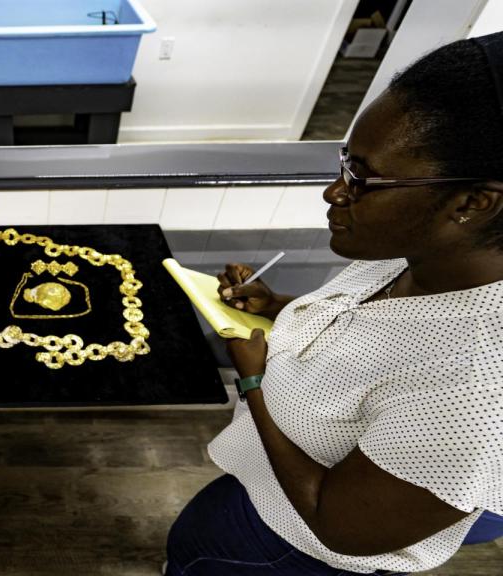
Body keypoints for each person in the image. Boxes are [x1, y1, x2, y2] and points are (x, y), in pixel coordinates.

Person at [164, 33, 503, 575]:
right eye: (345, 162)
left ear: (471, 203)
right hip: (261, 490)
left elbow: (339, 525)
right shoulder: (419, 251)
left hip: (295, 549)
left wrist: (252, 383)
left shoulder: (479, 389)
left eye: (362, 177)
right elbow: (376, 324)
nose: (335, 192)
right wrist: (277, 306)